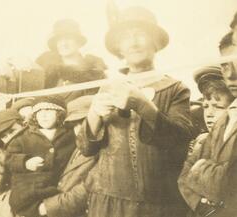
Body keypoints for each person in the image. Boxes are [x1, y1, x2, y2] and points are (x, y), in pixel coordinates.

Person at [78, 7, 193, 217]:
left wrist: (142, 105)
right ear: (119, 49)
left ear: (155, 43)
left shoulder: (176, 89)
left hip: (158, 204)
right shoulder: (108, 87)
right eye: (126, 37)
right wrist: (94, 114)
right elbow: (85, 149)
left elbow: (179, 143)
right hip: (107, 202)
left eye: (140, 34)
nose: (133, 42)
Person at [177, 32, 237, 217]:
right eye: (225, 65)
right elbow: (184, 178)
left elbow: (227, 182)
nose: (231, 74)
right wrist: (206, 209)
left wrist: (201, 170)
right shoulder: (226, 119)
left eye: (217, 106)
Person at [6, 95, 76, 217]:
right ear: (34, 115)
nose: (43, 115)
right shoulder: (23, 136)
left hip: (56, 190)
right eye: (39, 111)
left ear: (59, 113)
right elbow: (8, 159)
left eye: (48, 111)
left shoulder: (69, 135)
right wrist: (25, 162)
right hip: (27, 190)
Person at [39, 95, 98, 217]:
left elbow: (89, 189)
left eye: (82, 122)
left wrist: (48, 207)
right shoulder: (77, 146)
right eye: (73, 125)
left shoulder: (103, 150)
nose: (78, 130)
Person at [36, 19, 107, 103]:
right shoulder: (48, 71)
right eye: (59, 40)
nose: (64, 44)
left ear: (78, 42)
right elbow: (32, 96)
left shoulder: (95, 71)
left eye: (68, 39)